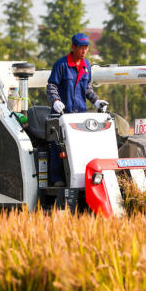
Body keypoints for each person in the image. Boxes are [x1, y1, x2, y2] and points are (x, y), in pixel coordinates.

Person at [46, 33, 108, 186]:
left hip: (79, 115)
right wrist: (56, 101)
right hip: (61, 114)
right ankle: (58, 180)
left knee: (80, 147)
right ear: (73, 47)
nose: (84, 51)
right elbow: (51, 86)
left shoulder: (86, 66)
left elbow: (87, 89)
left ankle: (81, 179)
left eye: (86, 47)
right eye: (81, 47)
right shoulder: (61, 65)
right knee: (59, 147)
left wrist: (97, 101)